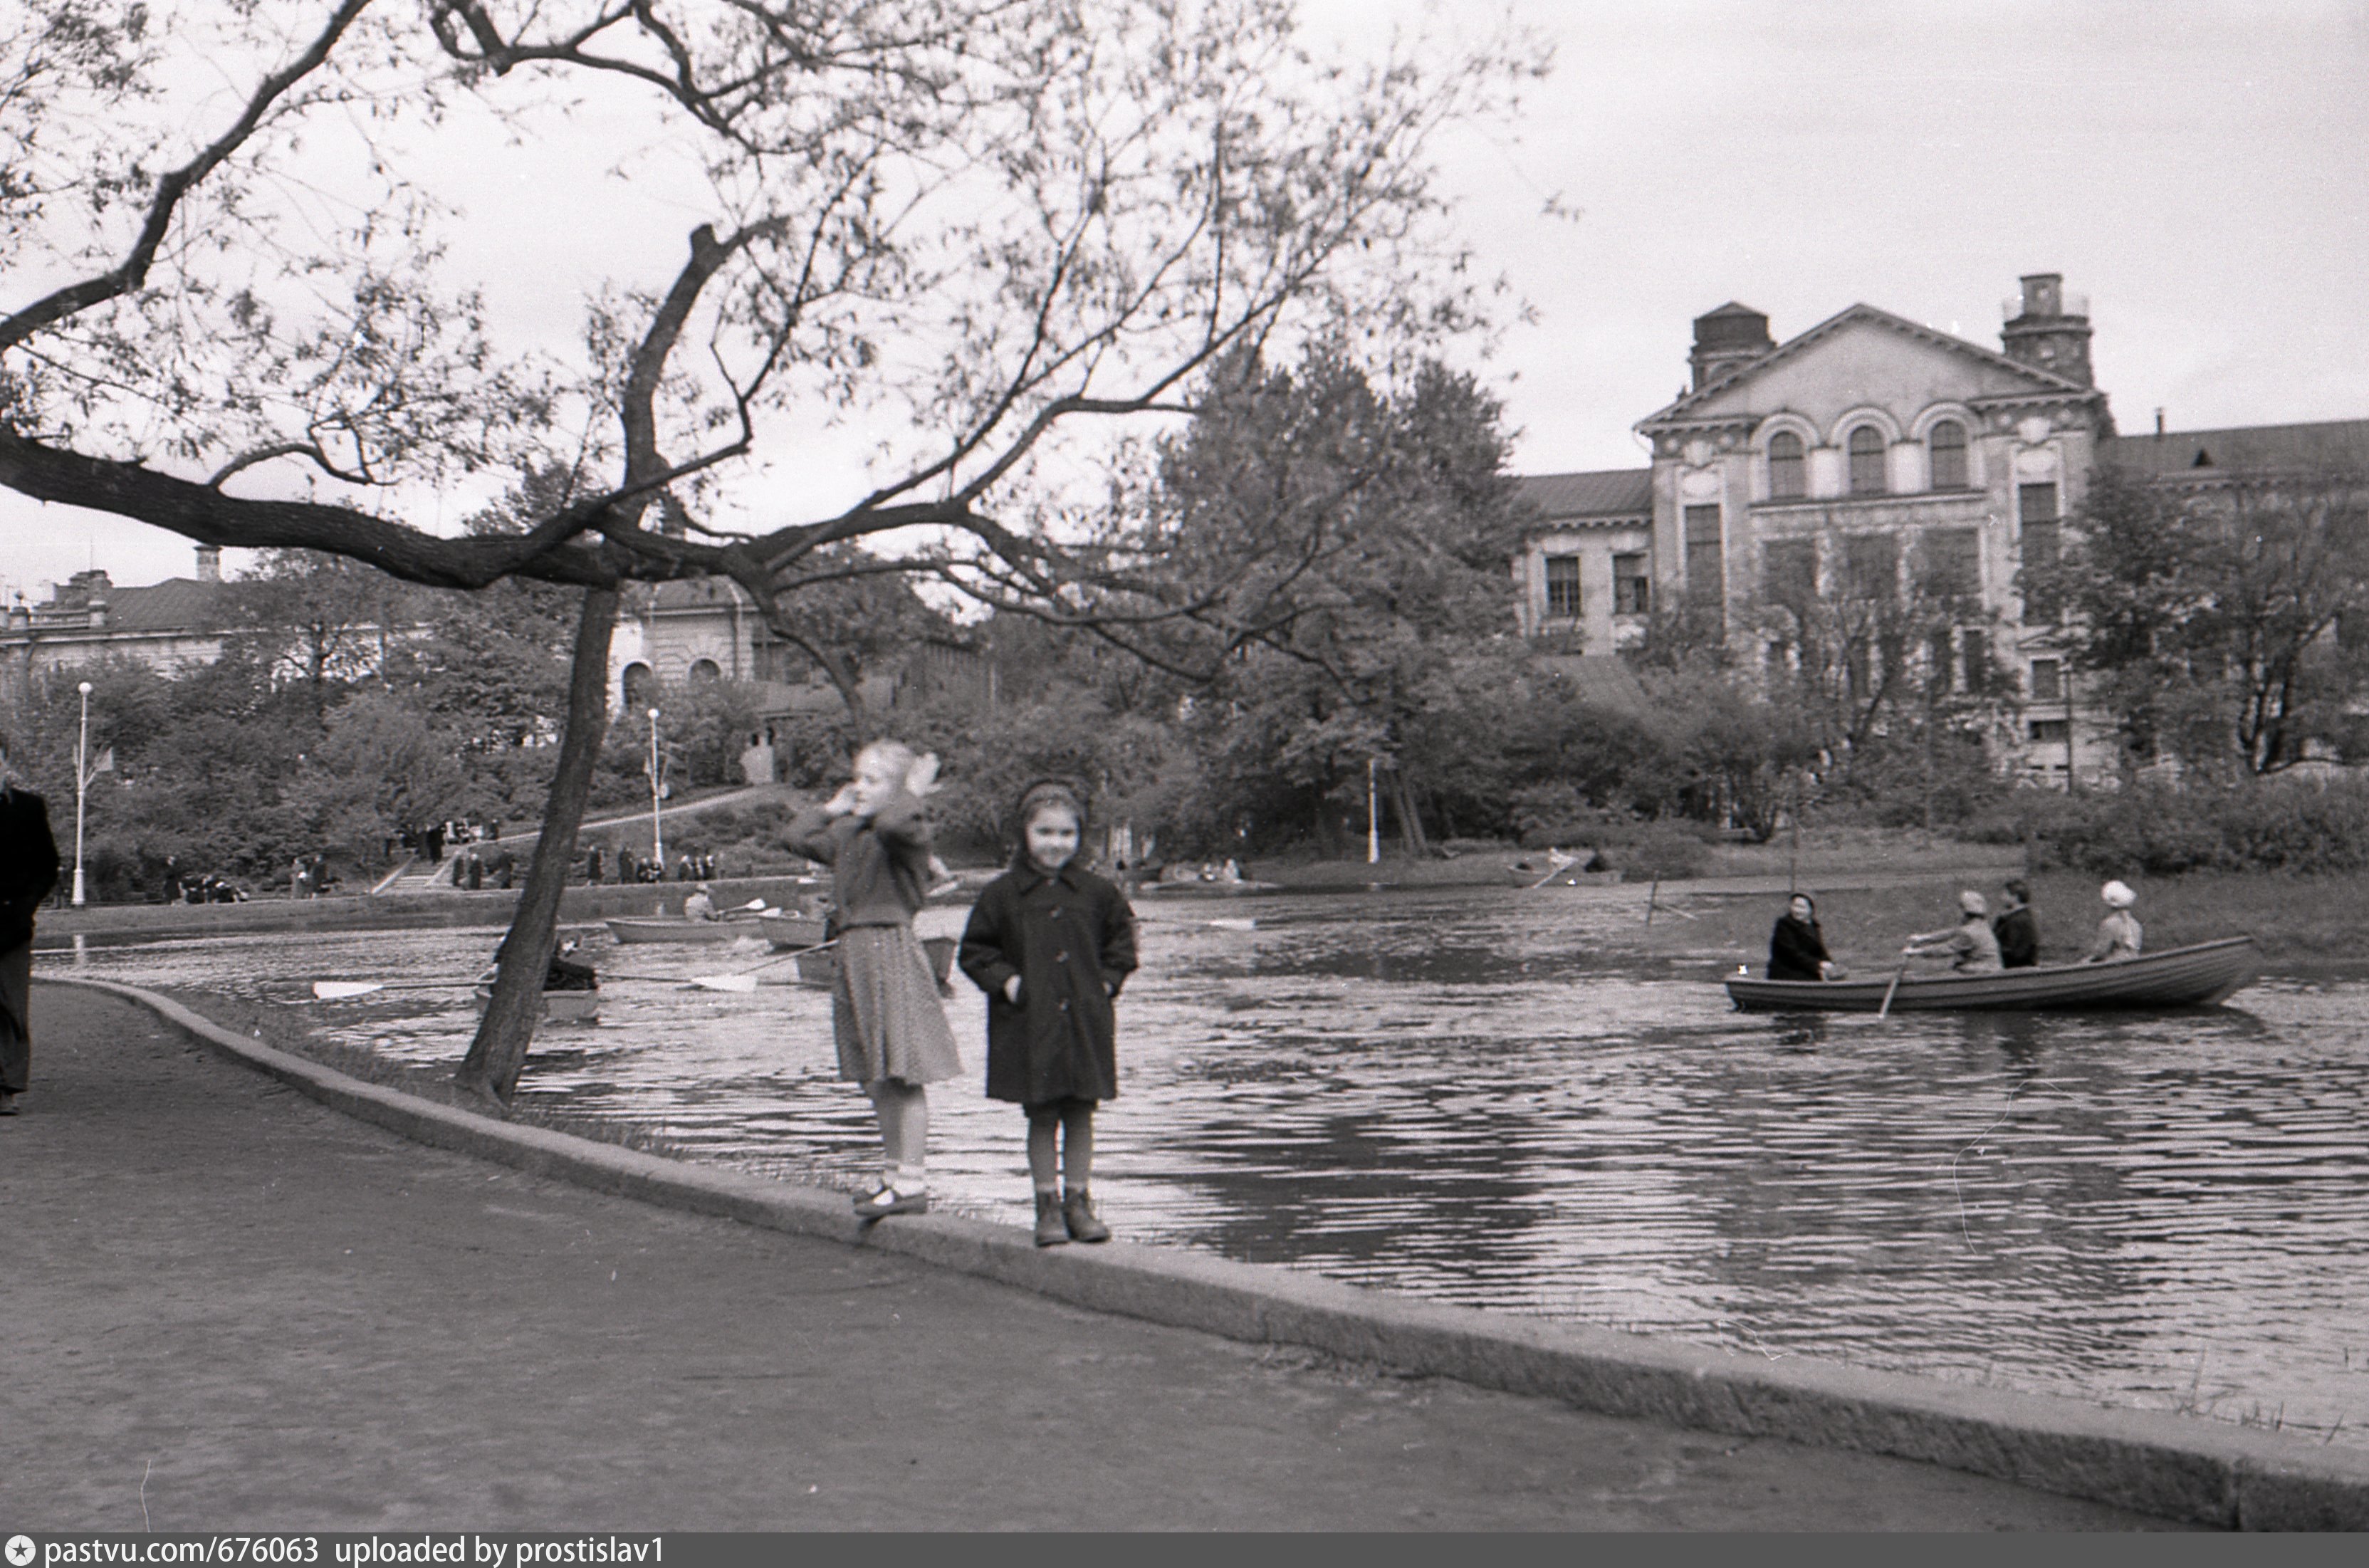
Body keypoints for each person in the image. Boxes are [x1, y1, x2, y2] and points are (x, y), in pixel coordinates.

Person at [785, 741, 963, 1220]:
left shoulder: (906, 830)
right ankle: (892, 1173)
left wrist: (911, 791)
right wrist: (832, 808)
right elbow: (796, 839)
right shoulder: (851, 833)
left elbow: (894, 820)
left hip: (888, 949)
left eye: (870, 780)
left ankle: (911, 1180)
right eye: (855, 777)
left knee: (903, 1071)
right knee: (876, 1075)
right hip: (855, 953)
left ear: (898, 790)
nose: (857, 787)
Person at [958, 781, 1139, 1247]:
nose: (1055, 843)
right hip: (1030, 1024)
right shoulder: (1002, 894)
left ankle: (1079, 1204)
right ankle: (1047, 1208)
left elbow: (1122, 944)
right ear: (1024, 834)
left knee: (1081, 1111)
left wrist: (1105, 983)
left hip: (1084, 1021)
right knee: (1041, 1114)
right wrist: (1008, 982)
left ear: (1079, 836)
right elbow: (976, 951)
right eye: (1044, 832)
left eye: (1066, 833)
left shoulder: (1098, 893)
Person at [1, 728, 63, 1115]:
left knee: (9, 1004)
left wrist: (25, 907)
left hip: (11, 922)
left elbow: (47, 866)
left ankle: (6, 1085)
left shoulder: (28, 808)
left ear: (4, 762)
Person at [1903, 889, 2004, 973]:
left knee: (1945, 973)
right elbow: (1951, 933)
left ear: (1965, 911)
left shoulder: (1969, 933)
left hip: (1981, 971)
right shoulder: (1980, 924)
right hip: (1986, 968)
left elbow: (1946, 949)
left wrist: (1917, 952)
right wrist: (1923, 938)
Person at [1766, 893, 1841, 981]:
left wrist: (1829, 963)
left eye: (1802, 908)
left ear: (1811, 910)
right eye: (1795, 906)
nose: (1797, 911)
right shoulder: (1784, 926)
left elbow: (1819, 950)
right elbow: (1793, 953)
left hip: (1806, 968)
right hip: (1787, 972)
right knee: (1815, 980)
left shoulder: (1813, 926)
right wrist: (1818, 965)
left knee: (1836, 976)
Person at [2084, 879, 2143, 963]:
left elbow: (2100, 952)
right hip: (2133, 963)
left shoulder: (2109, 924)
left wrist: (2085, 961)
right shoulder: (2136, 925)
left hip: (2113, 965)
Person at [1994, 878, 2040, 968]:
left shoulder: (2017, 920)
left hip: (2016, 967)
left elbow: (2013, 950)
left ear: (2015, 897)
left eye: (2004, 894)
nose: (2001, 898)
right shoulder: (2022, 916)